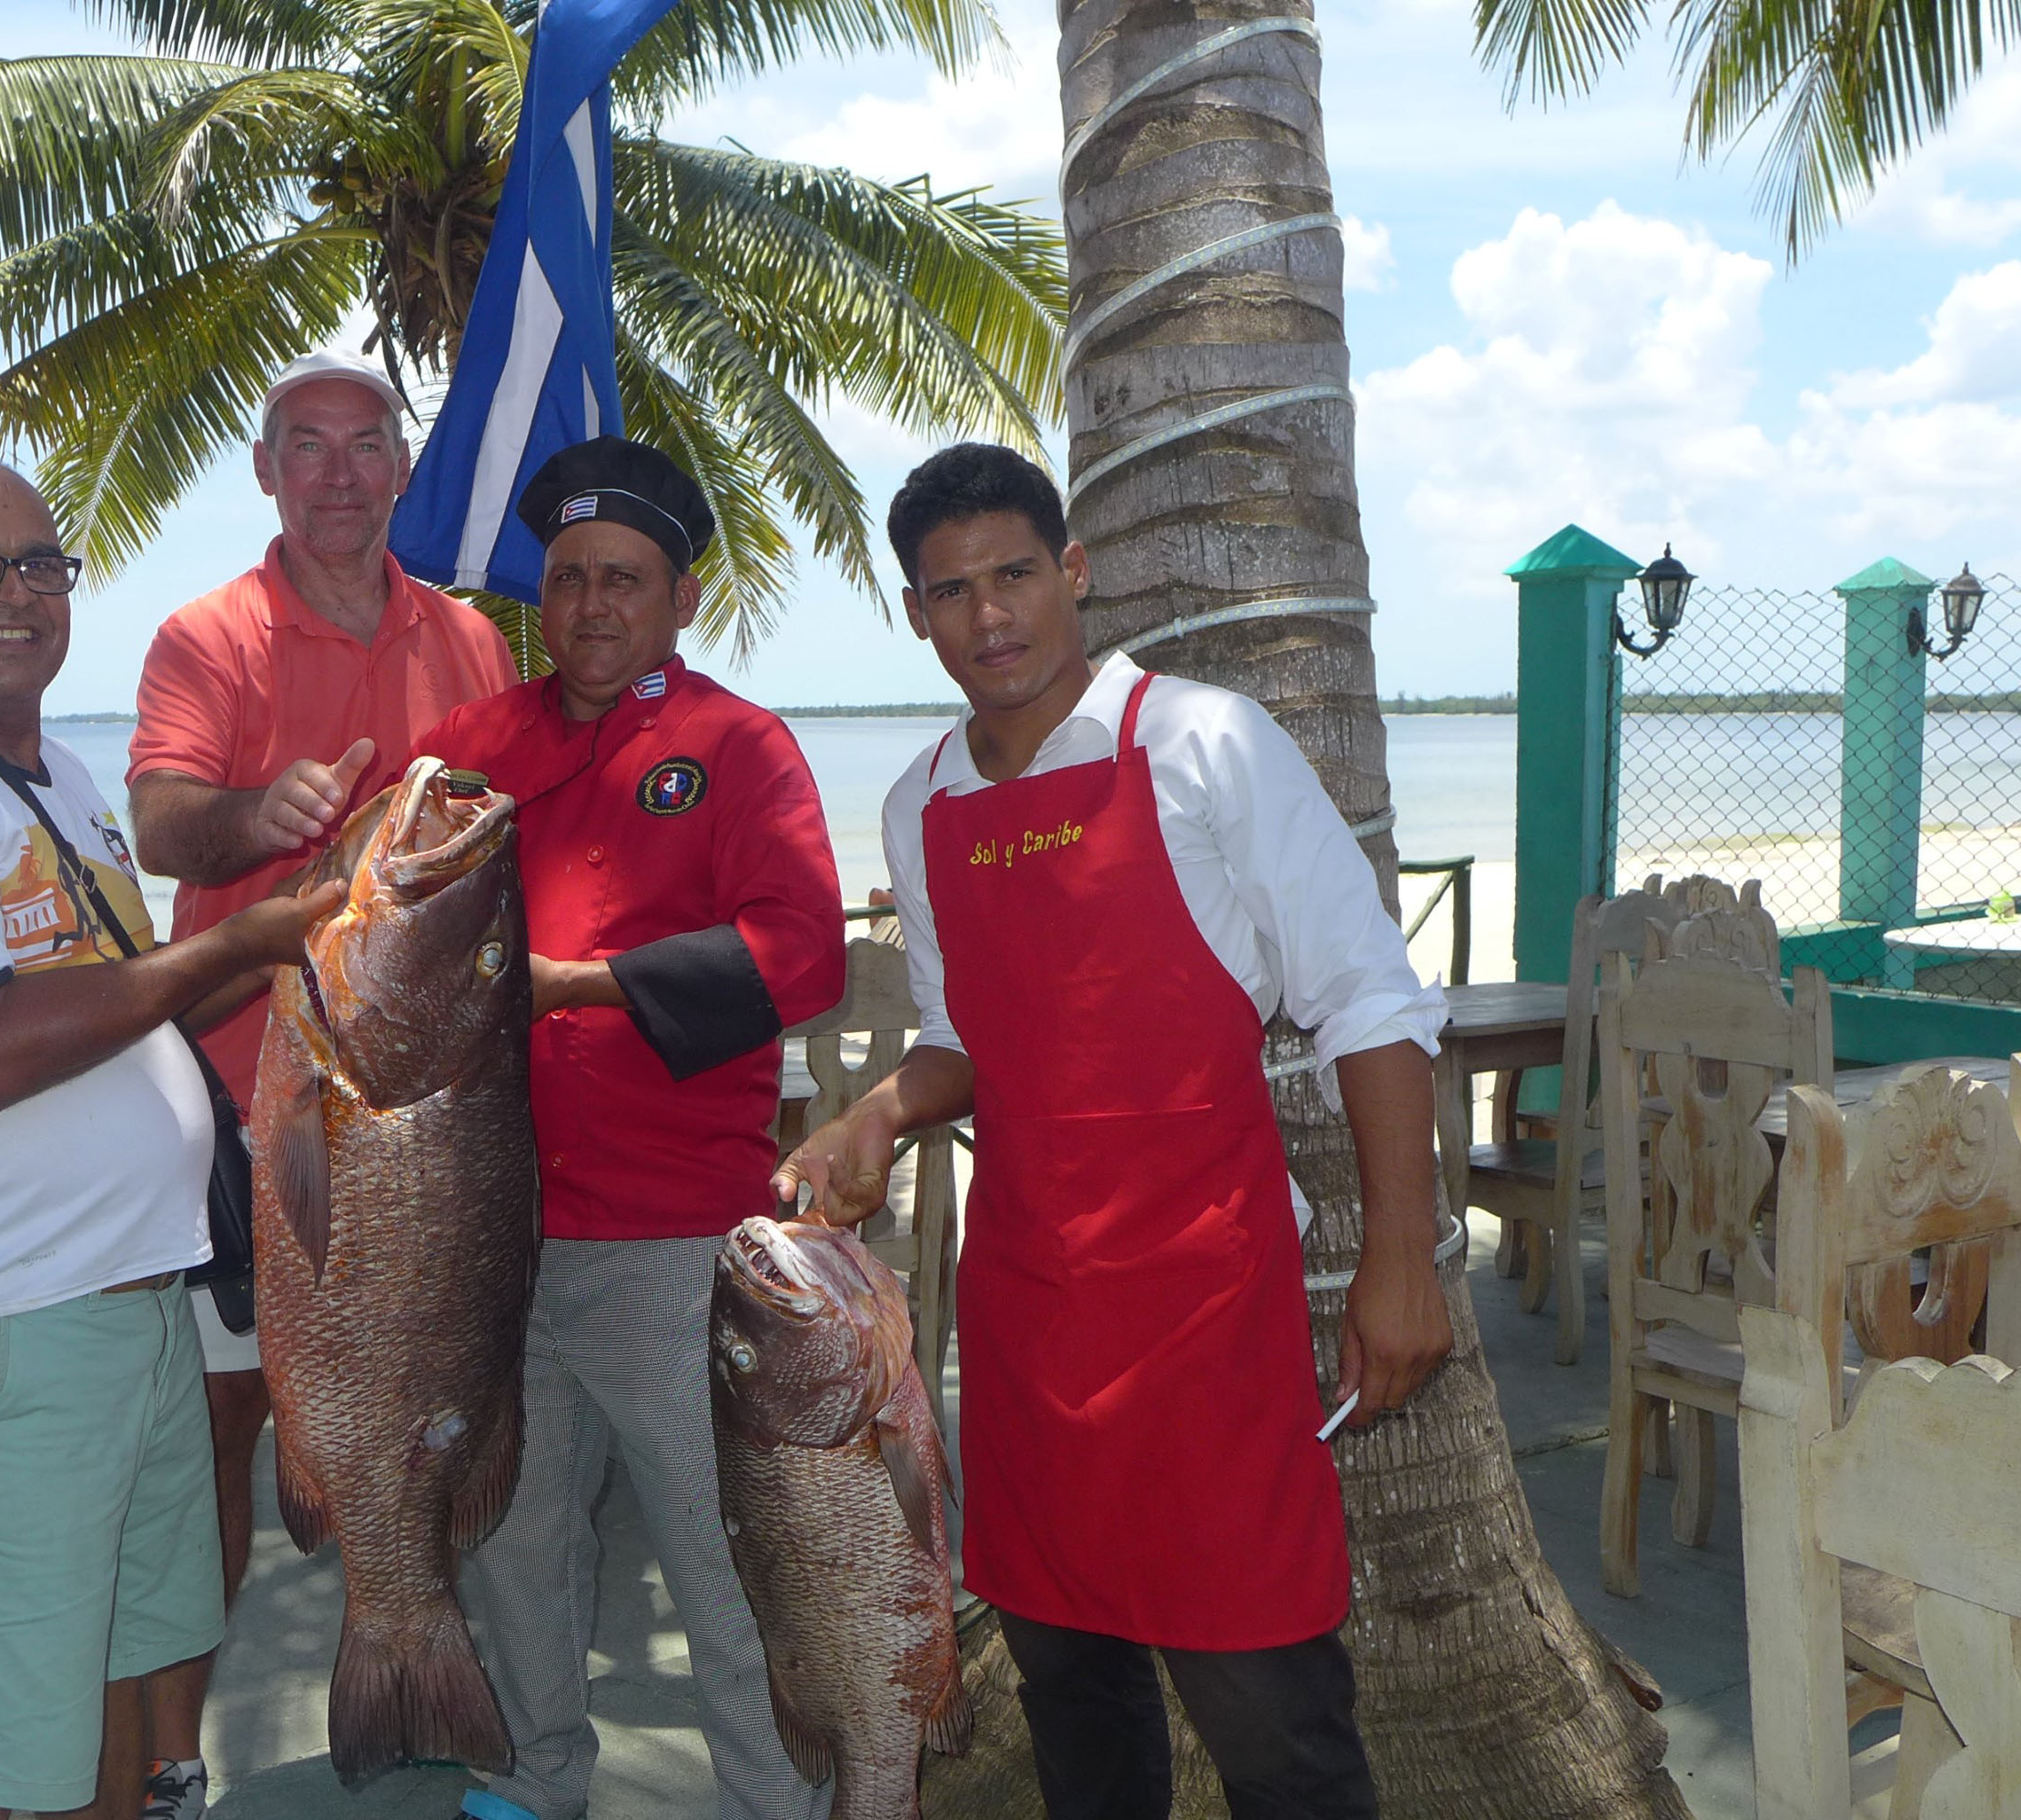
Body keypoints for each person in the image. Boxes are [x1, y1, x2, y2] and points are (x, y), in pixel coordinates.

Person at [774, 444, 1454, 1820]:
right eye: (952, 592)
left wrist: (1403, 1262)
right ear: (918, 615)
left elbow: (1370, 1001)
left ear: (1072, 572)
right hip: (1029, 1334)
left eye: (1015, 574)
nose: (991, 618)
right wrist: (886, 1108)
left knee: (1276, 1729)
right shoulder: (925, 804)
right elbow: (966, 1039)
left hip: (1211, 1324)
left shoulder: (1202, 742)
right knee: (1074, 1703)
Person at [0, 458, 339, 1820]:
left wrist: (310, 928)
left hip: (135, 1310)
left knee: (119, 1711)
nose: (13, 593)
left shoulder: (64, 776)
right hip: (12, 1328)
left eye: (42, 564)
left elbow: (125, 1006)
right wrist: (234, 938)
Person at [411, 436, 846, 1820]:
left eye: (626, 579)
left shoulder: (738, 745)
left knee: (729, 1565)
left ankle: (781, 1802)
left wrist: (580, 987)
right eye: (571, 578)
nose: (591, 605)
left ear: (682, 599)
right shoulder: (475, 749)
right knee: (515, 1544)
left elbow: (804, 954)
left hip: (678, 1246)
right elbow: (381, 913)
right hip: (493, 1237)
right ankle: (542, 1778)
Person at [122, 350, 517, 1817]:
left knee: (435, 1382)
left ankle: (425, 1661)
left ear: (402, 472)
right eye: (309, 448)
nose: (340, 475)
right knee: (220, 1437)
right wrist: (256, 814)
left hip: (431, 1099)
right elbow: (161, 823)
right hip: (242, 1095)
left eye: (366, 448)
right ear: (266, 470)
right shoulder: (209, 635)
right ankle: (174, 1758)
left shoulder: (468, 639)